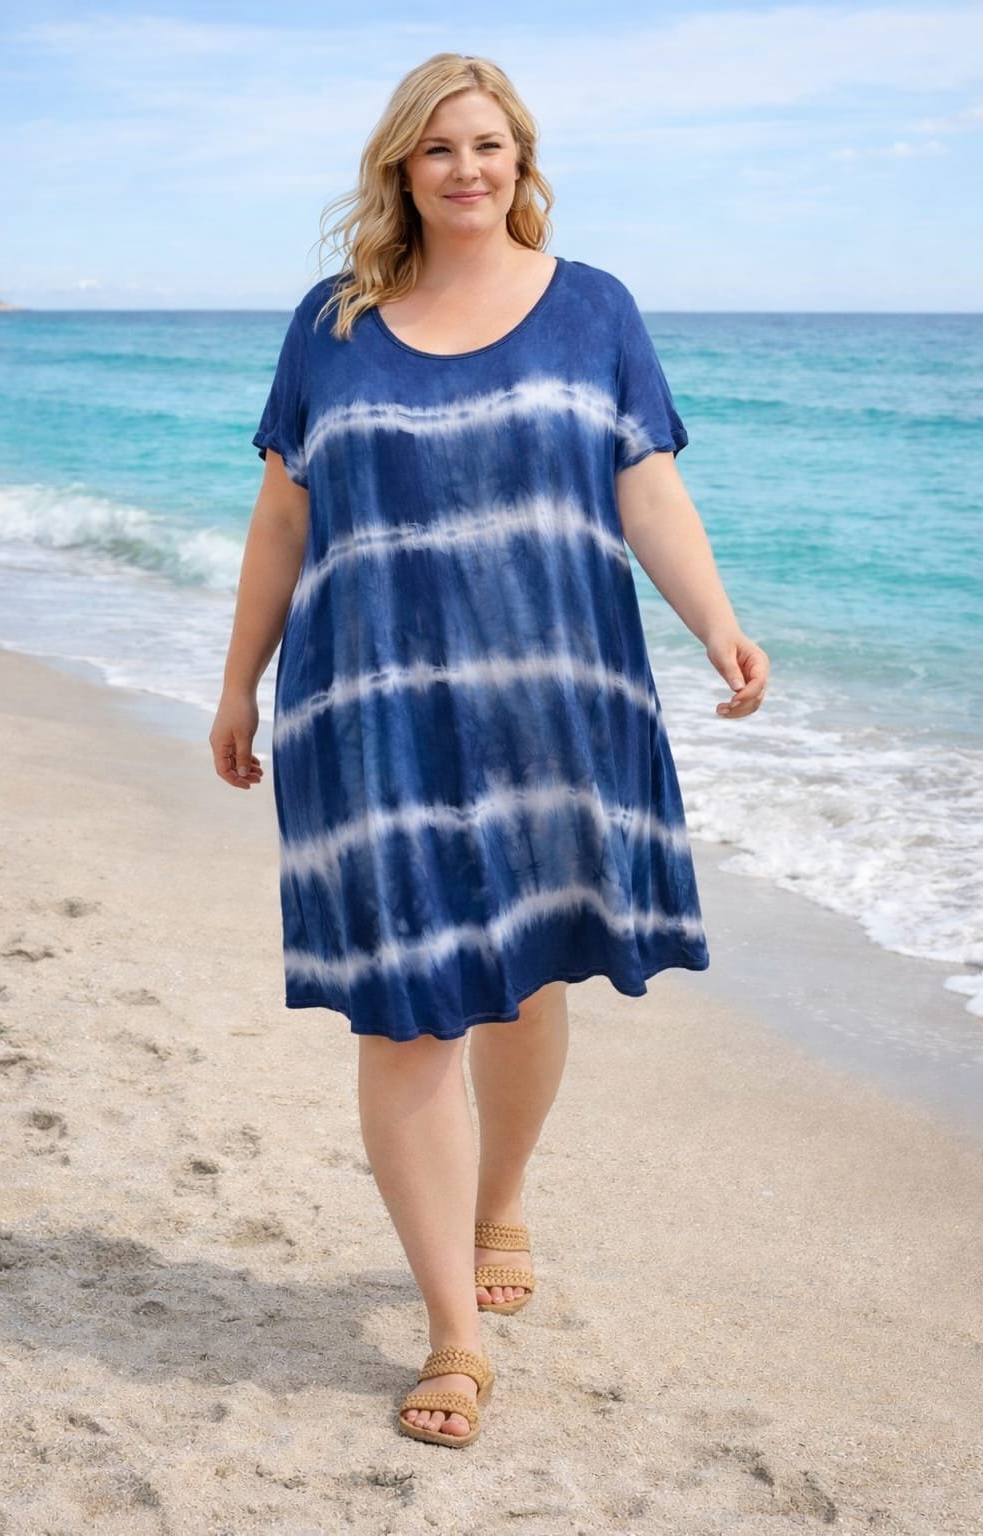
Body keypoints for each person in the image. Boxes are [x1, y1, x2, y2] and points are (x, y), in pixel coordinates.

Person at [210, 52, 769, 1450]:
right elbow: (283, 517)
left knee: (525, 976)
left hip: (548, 706)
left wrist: (717, 625)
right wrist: (237, 685)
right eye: (440, 147)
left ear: (521, 160)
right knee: (407, 1013)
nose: (468, 168)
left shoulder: (594, 308)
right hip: (369, 712)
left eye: (490, 144)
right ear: (401, 168)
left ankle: (500, 1194)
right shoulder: (332, 325)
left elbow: (647, 485)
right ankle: (453, 1334)